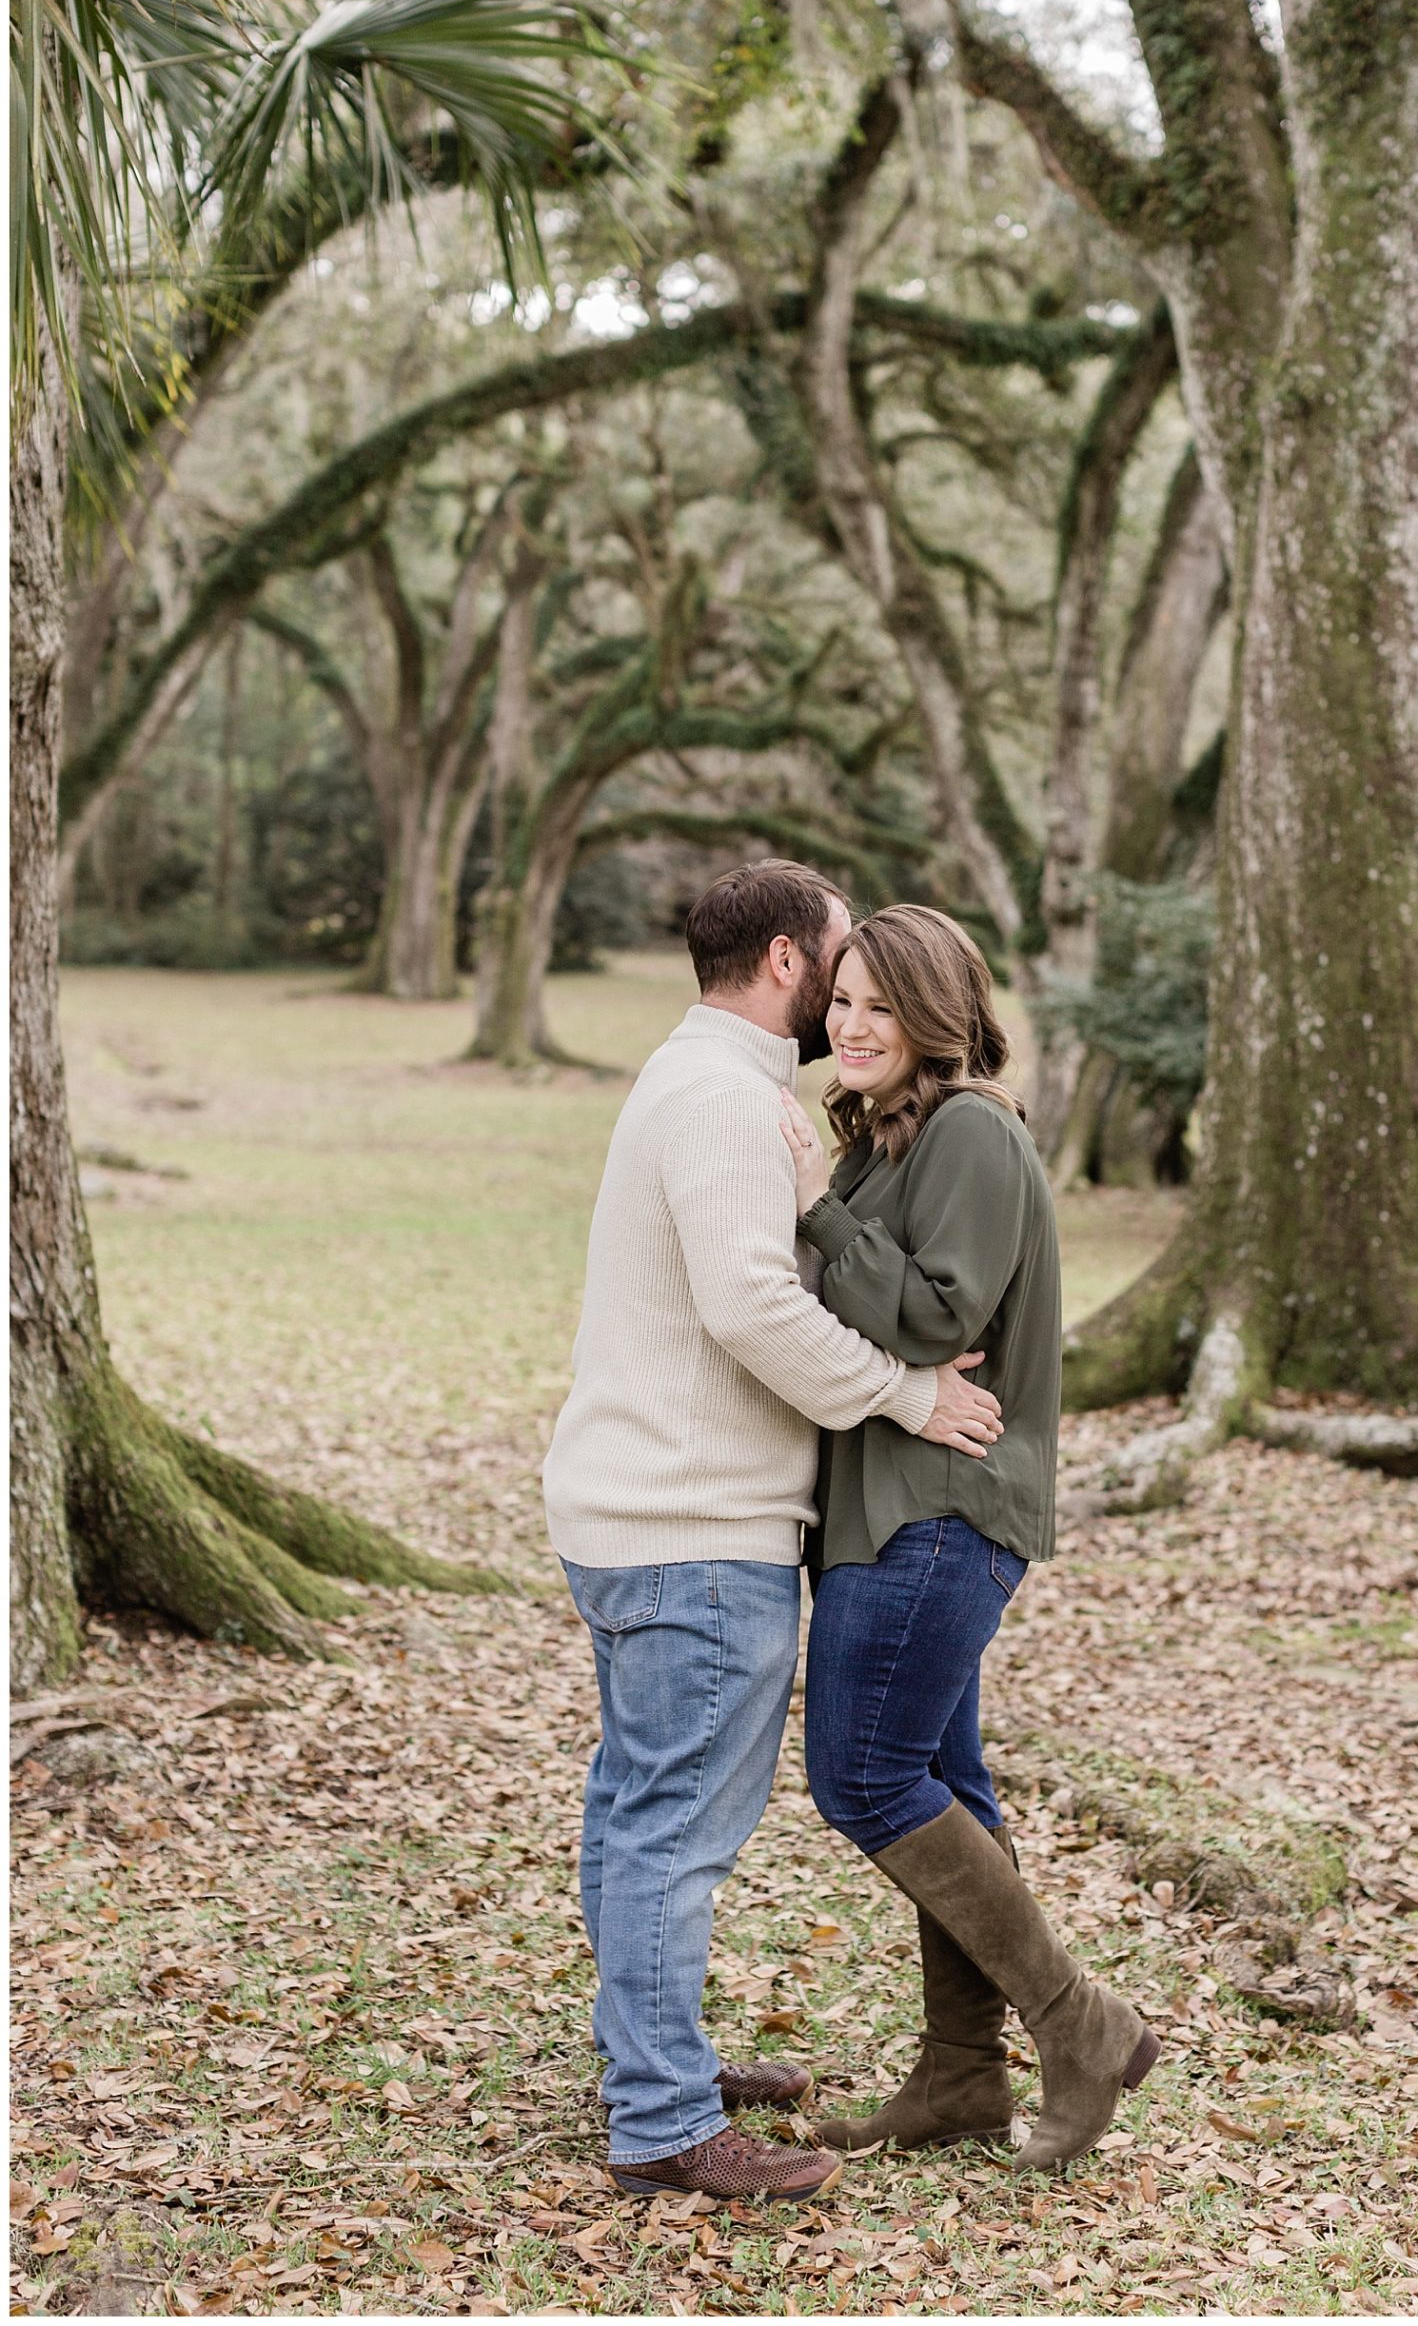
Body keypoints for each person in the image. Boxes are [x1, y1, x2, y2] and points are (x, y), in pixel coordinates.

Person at [544, 861, 1005, 2205]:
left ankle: (653, 2053)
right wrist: (907, 1394)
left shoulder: (709, 1087)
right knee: (670, 1829)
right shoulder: (719, 1101)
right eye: (844, 963)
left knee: (637, 1809)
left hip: (652, 1512)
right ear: (793, 963)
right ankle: (661, 2122)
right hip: (690, 1527)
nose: (856, 994)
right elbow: (750, 1307)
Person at [777, 903, 1160, 2170]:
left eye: (882, 1004)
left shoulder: (972, 1131)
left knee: (863, 1775)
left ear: (940, 1014)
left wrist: (818, 1219)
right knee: (942, 1787)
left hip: (941, 1514)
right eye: (841, 1001)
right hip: (890, 1511)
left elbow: (939, 1320)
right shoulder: (883, 1146)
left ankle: (1079, 2022)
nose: (851, 1025)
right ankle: (958, 2075)